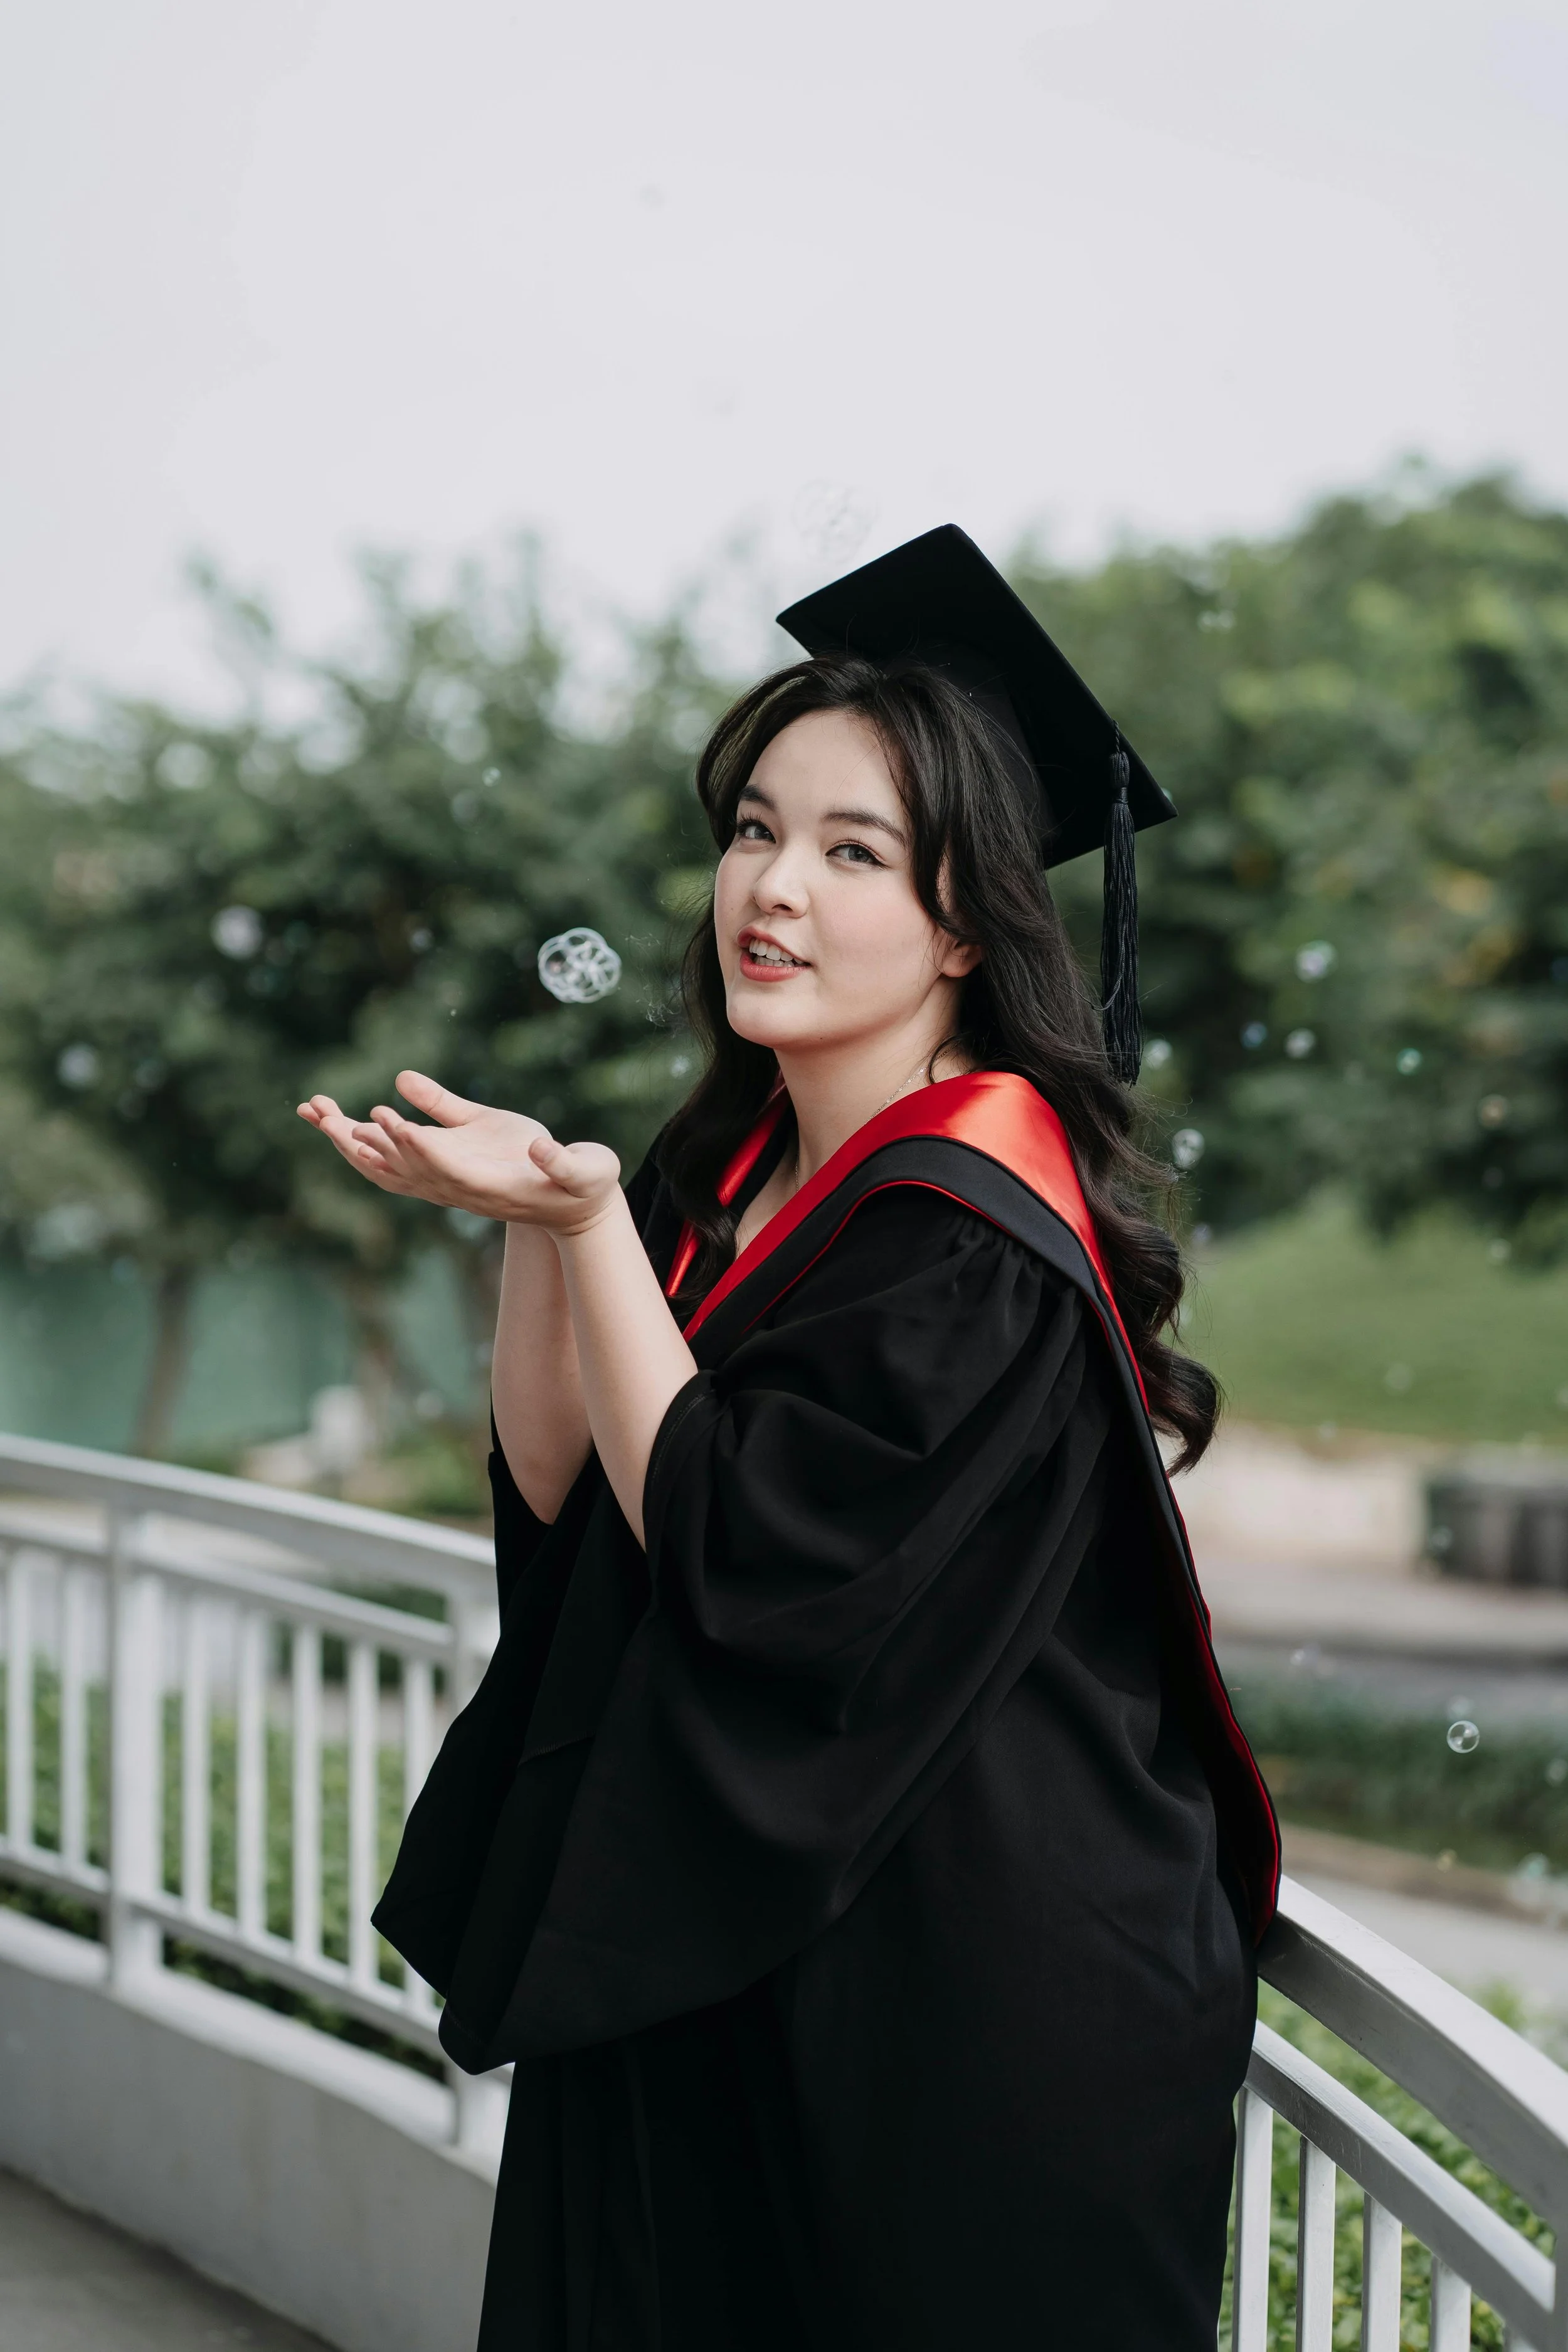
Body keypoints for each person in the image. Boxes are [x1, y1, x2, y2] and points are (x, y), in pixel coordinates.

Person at [299, 526, 1278, 2351]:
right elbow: (567, 1493)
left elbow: (746, 1561)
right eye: (755, 827)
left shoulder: (966, 1230)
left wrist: (588, 1229)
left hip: (966, 2004)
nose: (773, 888)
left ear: (965, 917)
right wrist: (546, 1222)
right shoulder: (724, 1173)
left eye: (851, 851)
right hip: (747, 1945)